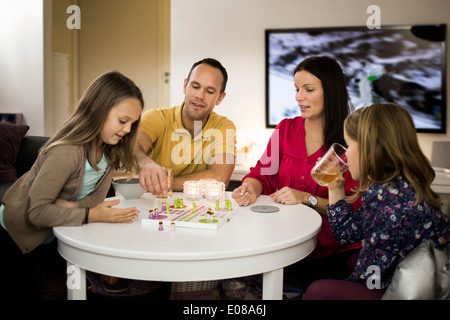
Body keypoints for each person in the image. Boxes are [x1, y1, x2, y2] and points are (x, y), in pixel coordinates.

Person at [0, 71, 143, 299]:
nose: (127, 130)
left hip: (50, 231)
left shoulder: (109, 151)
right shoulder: (66, 152)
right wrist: (89, 215)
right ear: (97, 108)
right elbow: (37, 212)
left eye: (132, 124)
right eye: (123, 121)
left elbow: (95, 201)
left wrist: (66, 206)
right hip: (15, 234)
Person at [232, 56, 362, 290]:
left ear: (330, 92)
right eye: (297, 89)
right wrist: (251, 186)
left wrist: (306, 199)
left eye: (308, 89)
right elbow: (262, 174)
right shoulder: (285, 129)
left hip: (331, 252)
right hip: (285, 242)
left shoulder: (351, 141)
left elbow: (354, 211)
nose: (298, 97)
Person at [303, 103, 449, 300]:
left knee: (317, 290)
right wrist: (335, 188)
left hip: (400, 289)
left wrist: (346, 284)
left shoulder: (389, 203)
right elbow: (348, 234)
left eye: (349, 145)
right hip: (402, 271)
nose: (344, 156)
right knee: (350, 261)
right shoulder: (390, 188)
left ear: (369, 151)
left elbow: (374, 279)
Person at [134, 58, 236, 197]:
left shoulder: (224, 127)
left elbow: (219, 179)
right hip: (152, 204)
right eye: (195, 86)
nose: (199, 96)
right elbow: (134, 147)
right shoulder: (156, 117)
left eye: (210, 91)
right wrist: (145, 162)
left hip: (197, 209)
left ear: (220, 98)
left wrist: (163, 182)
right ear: (185, 85)